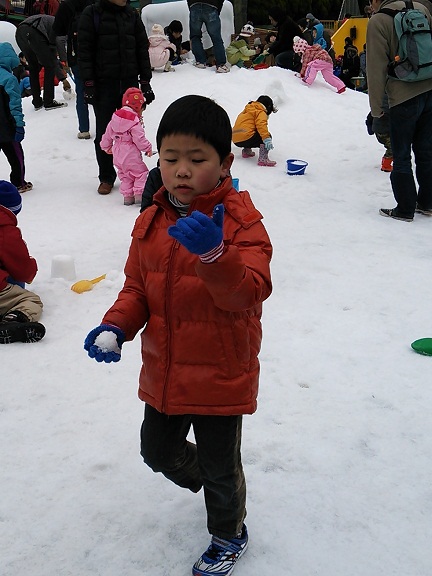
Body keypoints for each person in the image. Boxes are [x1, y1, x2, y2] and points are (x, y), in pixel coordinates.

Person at [84, 94, 273, 576]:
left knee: (220, 464)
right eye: (170, 159)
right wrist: (117, 324)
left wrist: (216, 256)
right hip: (167, 368)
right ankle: (215, 486)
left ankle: (228, 532)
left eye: (196, 159)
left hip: (220, 372)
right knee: (157, 451)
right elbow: (137, 287)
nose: (181, 171)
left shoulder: (240, 222)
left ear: (225, 162)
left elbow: (249, 292)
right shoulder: (150, 221)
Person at [78, 0, 154, 195]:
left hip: (129, 85)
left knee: (133, 130)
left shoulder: (131, 15)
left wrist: (145, 81)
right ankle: (106, 176)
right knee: (105, 131)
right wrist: (88, 83)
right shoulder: (92, 13)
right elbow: (84, 51)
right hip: (103, 85)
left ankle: (134, 173)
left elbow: (141, 49)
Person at [367, 0, 432, 221]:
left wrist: (376, 109)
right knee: (426, 153)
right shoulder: (421, 9)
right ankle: (428, 203)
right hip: (430, 90)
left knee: (402, 155)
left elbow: (375, 69)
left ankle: (405, 209)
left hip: (403, 97)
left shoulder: (378, 21)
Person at [0, 180, 45, 344]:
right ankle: (13, 321)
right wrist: (31, 268)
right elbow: (23, 270)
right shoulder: (5, 230)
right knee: (31, 300)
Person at [100, 87, 153, 206]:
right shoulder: (133, 120)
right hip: (130, 152)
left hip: (117, 152)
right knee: (141, 173)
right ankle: (139, 197)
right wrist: (147, 148)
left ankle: (128, 198)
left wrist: (106, 147)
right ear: (138, 106)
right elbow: (139, 138)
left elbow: (107, 134)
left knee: (125, 175)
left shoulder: (115, 117)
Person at [53, 0, 95, 140]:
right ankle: (105, 128)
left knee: (82, 90)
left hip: (76, 54)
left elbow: (57, 30)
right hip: (97, 54)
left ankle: (84, 129)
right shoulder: (95, 3)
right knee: (101, 91)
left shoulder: (66, 5)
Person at [15, 14, 69, 111]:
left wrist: (62, 78)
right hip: (34, 30)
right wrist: (64, 60)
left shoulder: (52, 24)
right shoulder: (63, 27)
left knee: (34, 67)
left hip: (19, 32)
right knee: (49, 66)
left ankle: (37, 102)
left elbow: (51, 57)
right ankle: (48, 101)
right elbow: (58, 47)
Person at [0, 42, 33, 194]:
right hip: (7, 127)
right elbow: (14, 105)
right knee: (15, 156)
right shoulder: (9, 79)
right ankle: (18, 182)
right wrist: (19, 125)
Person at [232, 95, 278, 166]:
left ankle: (246, 151)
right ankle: (263, 159)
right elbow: (261, 125)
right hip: (246, 137)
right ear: (268, 107)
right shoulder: (260, 111)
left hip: (235, 138)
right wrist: (266, 138)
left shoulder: (246, 110)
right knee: (266, 135)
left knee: (250, 130)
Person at [187, 0, 229, 73]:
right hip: (211, 6)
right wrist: (217, 10)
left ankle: (200, 61)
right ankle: (221, 65)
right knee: (216, 38)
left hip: (194, 5)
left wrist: (191, 7)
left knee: (195, 36)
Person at [267, 6, 302, 71]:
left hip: (297, 52)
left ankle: (293, 71)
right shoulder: (282, 23)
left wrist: (270, 50)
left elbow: (282, 41)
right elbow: (279, 40)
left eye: (272, 20)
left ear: (276, 17)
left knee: (280, 58)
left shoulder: (287, 25)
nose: (271, 22)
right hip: (291, 50)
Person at [365, 94, 393, 172]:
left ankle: (386, 162)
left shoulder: (378, 106)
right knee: (393, 147)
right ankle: (386, 165)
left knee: (393, 147)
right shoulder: (389, 107)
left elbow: (369, 118)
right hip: (383, 131)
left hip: (380, 130)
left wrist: (370, 128)